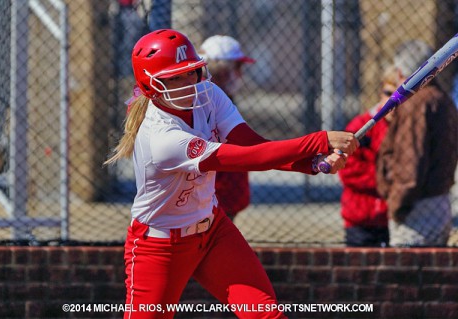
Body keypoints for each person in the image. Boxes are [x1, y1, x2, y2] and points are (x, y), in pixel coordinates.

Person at [104, 29, 358, 319]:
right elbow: (244, 159)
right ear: (150, 85)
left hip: (213, 231)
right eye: (174, 78)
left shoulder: (208, 93)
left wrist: (309, 163)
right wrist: (319, 141)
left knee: (266, 315)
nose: (188, 83)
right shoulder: (160, 138)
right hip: (160, 246)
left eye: (191, 72)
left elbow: (252, 145)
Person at [376, 39, 458, 247]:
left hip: (417, 208)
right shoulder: (441, 98)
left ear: (403, 72)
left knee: (409, 270)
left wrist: (397, 205)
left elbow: (409, 163)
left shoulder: (416, 104)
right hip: (436, 201)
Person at [338, 65, 399, 247]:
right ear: (381, 93)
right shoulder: (362, 125)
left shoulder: (406, 129)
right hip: (360, 218)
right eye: (388, 93)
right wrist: (386, 179)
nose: (392, 103)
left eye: (399, 98)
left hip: (394, 217)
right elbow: (347, 168)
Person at [199, 35, 256, 221]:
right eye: (237, 67)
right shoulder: (204, 103)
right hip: (212, 200)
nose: (240, 75)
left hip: (224, 199)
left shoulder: (223, 100)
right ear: (221, 71)